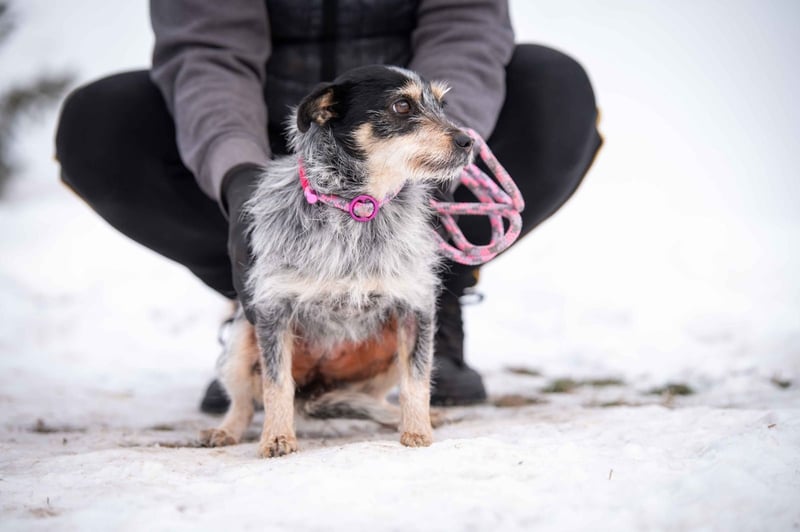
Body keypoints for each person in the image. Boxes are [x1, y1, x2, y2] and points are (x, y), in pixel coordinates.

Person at [55, 0, 601, 410]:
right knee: (99, 123)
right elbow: (207, 52)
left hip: (408, 134)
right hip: (267, 136)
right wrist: (235, 173)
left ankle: (425, 299)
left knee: (555, 88)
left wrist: (436, 147)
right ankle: (266, 307)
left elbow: (466, 25)